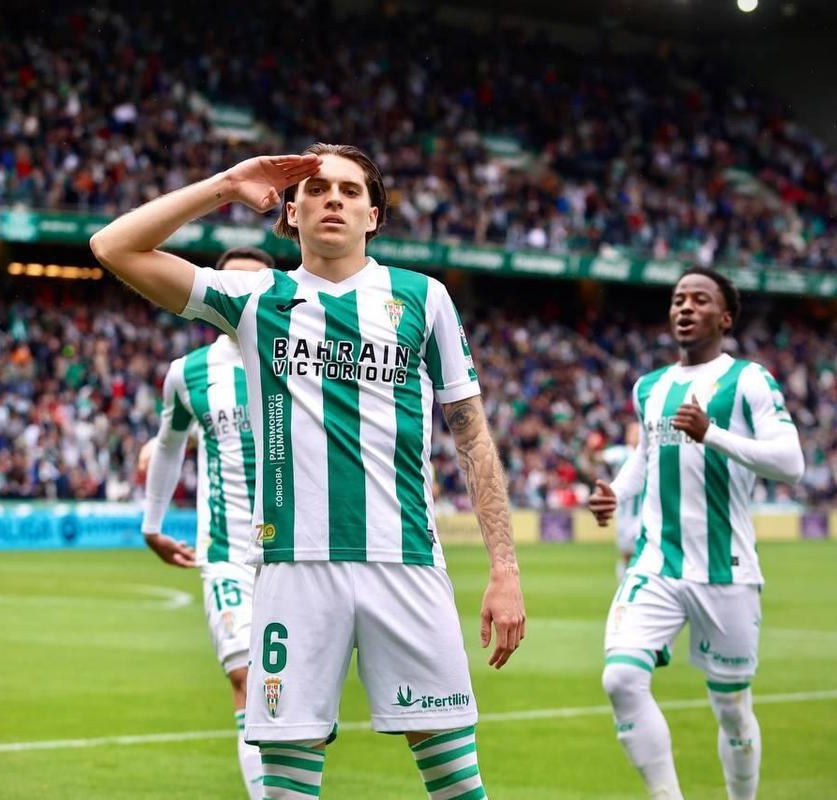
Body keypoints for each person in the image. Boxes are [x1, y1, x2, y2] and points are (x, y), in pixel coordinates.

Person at [91, 143, 525, 800]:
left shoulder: (423, 298)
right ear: (289, 210)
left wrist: (505, 570)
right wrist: (228, 184)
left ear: (374, 215)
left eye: (351, 191)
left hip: (405, 561)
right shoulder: (254, 298)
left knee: (456, 779)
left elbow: (471, 436)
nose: (333, 201)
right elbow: (114, 246)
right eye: (317, 190)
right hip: (292, 569)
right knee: (289, 781)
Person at [588, 267, 804, 800]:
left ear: (724, 317)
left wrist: (714, 434)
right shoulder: (651, 387)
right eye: (678, 298)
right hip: (656, 565)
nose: (684, 307)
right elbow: (646, 455)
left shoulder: (750, 380)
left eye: (700, 300)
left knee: (732, 708)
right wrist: (616, 491)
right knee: (619, 679)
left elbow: (790, 462)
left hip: (726, 569)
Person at [140, 246, 276, 798]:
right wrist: (152, 524)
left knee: (287, 695)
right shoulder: (189, 373)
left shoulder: (297, 357)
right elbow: (170, 445)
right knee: (246, 679)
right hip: (226, 552)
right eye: (231, 284)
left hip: (298, 552)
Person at [600, 421, 643, 581]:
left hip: (644, 513)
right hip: (624, 514)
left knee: (641, 554)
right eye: (632, 431)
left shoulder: (649, 453)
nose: (635, 435)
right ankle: (624, 585)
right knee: (626, 555)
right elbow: (597, 458)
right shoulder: (620, 453)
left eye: (638, 432)